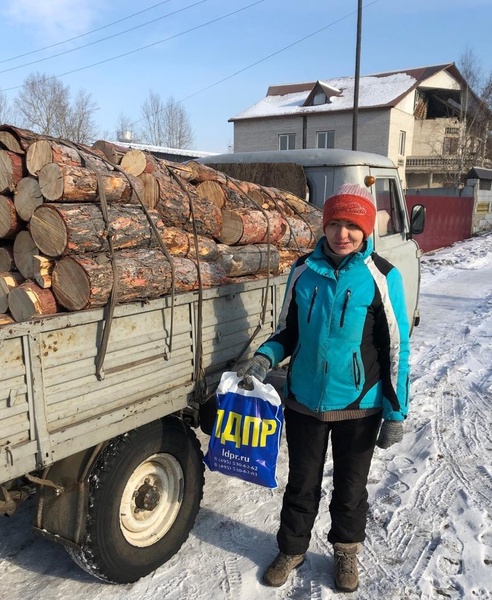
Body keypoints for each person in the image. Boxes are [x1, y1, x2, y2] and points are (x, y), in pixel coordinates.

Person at [238, 183, 410, 592]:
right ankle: (292, 549)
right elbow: (288, 331)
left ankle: (346, 551)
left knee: (350, 489)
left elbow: (397, 348)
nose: (343, 233)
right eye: (335, 223)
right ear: (325, 226)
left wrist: (395, 411)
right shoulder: (302, 270)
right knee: (302, 483)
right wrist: (264, 358)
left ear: (365, 230)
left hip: (359, 403)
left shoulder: (382, 276)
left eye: (353, 225)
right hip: (304, 402)